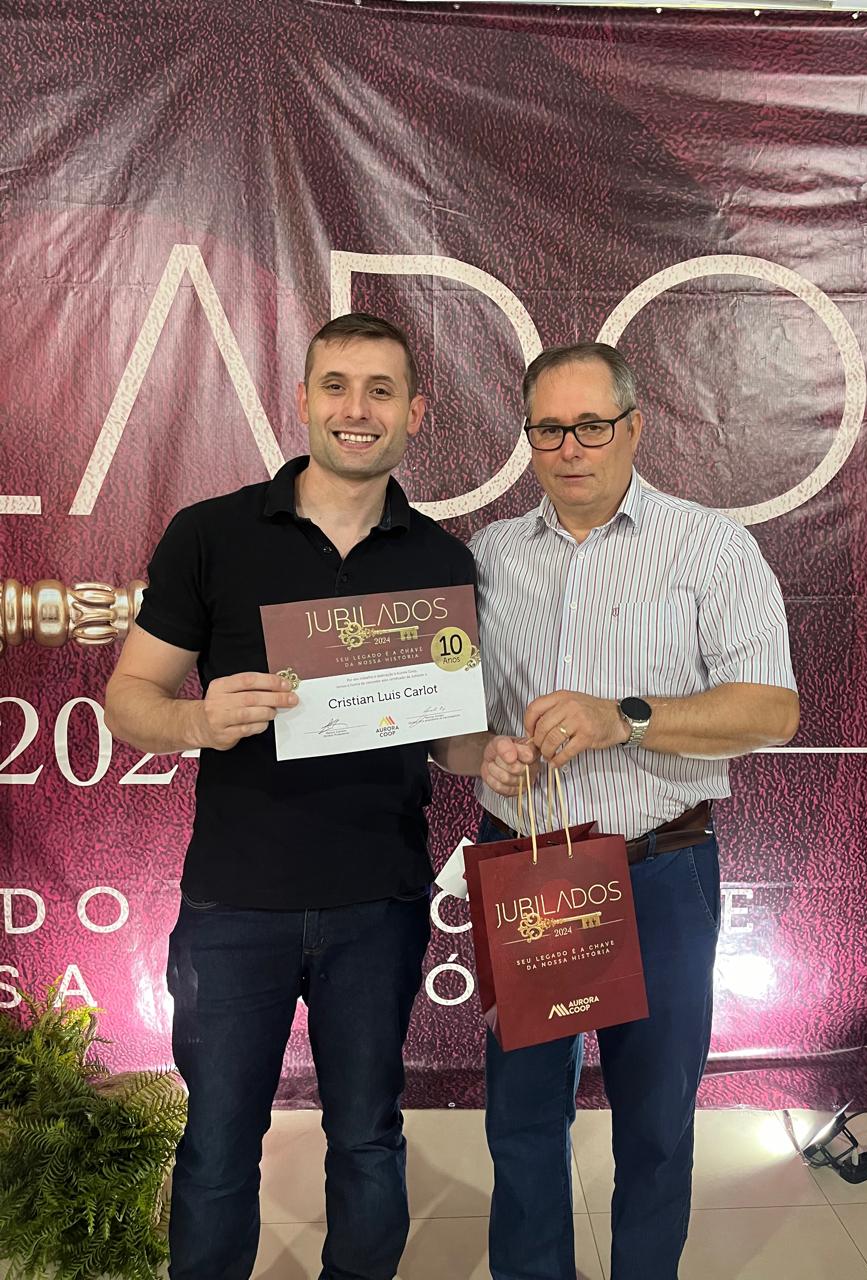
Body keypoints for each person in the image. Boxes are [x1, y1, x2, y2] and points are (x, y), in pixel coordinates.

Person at [104, 313, 519, 1280]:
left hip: (378, 901)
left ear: (415, 412)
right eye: (336, 385)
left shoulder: (440, 561)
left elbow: (446, 735)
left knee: (368, 1136)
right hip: (234, 904)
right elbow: (129, 702)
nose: (355, 409)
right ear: (301, 400)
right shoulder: (211, 534)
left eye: (381, 390)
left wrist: (490, 752)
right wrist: (201, 720)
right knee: (218, 1145)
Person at [469, 342, 800, 1280]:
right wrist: (479, 747)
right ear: (527, 437)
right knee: (521, 1118)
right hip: (529, 868)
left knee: (655, 1123)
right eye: (548, 430)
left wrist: (627, 718)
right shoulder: (490, 557)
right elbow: (446, 715)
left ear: (634, 428)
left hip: (659, 868)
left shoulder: (710, 546)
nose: (570, 448)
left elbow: (772, 711)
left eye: (591, 426)